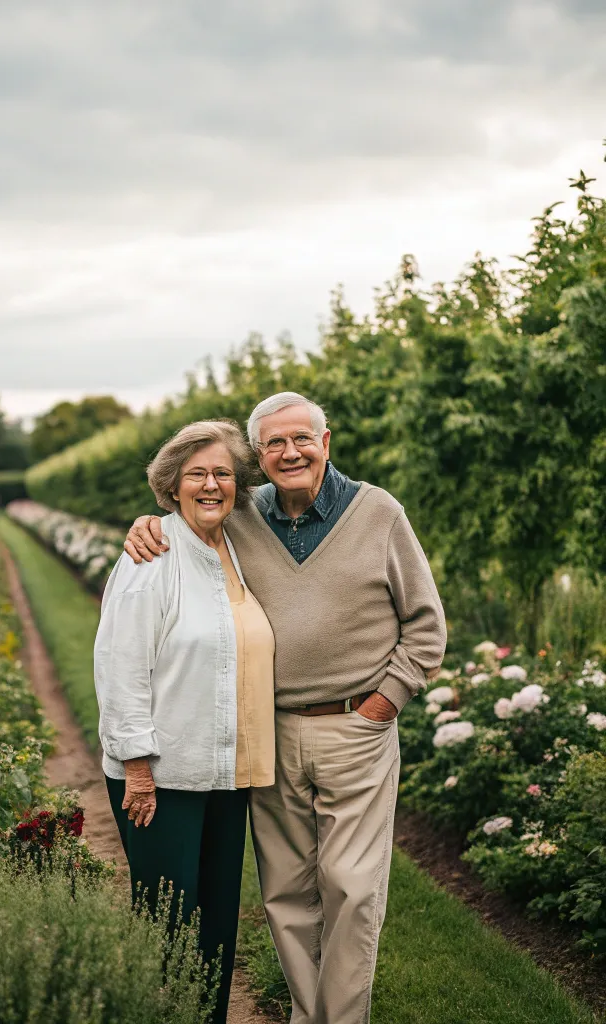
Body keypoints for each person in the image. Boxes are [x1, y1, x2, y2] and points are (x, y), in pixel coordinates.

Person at [124, 392, 446, 1024]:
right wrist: (147, 522)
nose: (290, 452)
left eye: (303, 438)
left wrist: (384, 703)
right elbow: (191, 509)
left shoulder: (378, 513)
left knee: (351, 889)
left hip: (356, 727)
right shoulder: (242, 517)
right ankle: (307, 1014)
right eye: (274, 443)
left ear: (326, 443)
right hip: (266, 734)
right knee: (287, 894)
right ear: (258, 458)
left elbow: (426, 625)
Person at [95, 419, 275, 1024]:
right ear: (170, 486)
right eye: (195, 474)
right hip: (162, 780)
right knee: (169, 929)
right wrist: (137, 769)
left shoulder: (239, 547)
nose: (210, 485)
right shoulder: (153, 555)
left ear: (239, 486)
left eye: (222, 473)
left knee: (218, 926)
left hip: (224, 775)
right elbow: (121, 667)